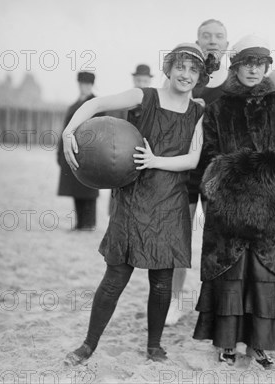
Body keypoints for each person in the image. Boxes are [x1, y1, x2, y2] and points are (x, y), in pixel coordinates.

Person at [62, 43, 210, 365]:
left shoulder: (199, 113)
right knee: (115, 276)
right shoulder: (144, 97)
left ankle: (153, 346)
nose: (186, 74)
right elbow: (98, 103)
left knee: (161, 282)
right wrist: (69, 131)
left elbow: (193, 159)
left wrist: (156, 160)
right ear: (169, 69)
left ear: (199, 77)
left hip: (171, 201)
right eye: (180, 67)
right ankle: (88, 345)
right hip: (133, 198)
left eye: (193, 70)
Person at [192, 35, 275, 370]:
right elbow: (209, 153)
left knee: (264, 275)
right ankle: (226, 342)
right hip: (230, 206)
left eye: (260, 63)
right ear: (235, 66)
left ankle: (260, 344)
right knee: (231, 272)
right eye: (247, 63)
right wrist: (229, 182)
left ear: (267, 66)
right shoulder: (218, 108)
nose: (253, 69)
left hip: (271, 207)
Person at [166, 19, 230, 326]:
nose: (212, 41)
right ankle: (175, 301)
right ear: (197, 41)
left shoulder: (234, 80)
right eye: (206, 36)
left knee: (219, 239)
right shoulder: (187, 76)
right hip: (186, 167)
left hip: (220, 171)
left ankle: (216, 303)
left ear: (227, 44)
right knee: (180, 234)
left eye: (219, 36)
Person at [107, 64, 154, 217]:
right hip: (122, 158)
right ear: (134, 81)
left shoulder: (154, 107)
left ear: (149, 82)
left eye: (145, 81)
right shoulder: (123, 104)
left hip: (146, 159)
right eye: (139, 81)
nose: (141, 85)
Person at [57, 71, 100, 231]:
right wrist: (60, 153)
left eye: (87, 84)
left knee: (89, 188)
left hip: (89, 153)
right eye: (82, 84)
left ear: (91, 85)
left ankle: (89, 223)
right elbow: (65, 131)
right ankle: (80, 222)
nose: (84, 87)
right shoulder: (73, 106)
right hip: (72, 151)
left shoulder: (97, 105)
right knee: (76, 188)